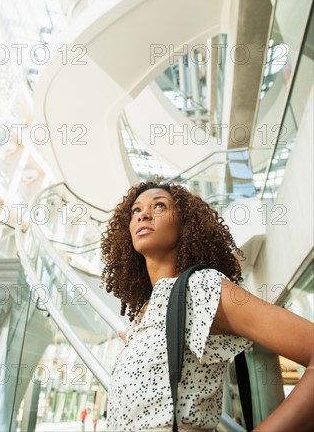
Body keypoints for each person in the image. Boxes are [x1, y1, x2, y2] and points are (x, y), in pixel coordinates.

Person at [101, 181, 314, 431]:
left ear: (186, 224)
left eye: (159, 205)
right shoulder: (142, 316)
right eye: (135, 210)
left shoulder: (202, 286)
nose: (143, 215)